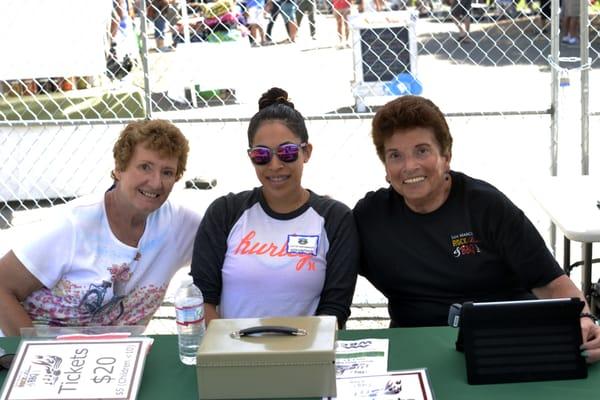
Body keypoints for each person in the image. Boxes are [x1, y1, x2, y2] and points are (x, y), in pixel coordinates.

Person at [353, 95, 600, 363]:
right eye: (395, 155)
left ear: (446, 157)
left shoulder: (486, 206)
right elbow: (322, 267)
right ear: (386, 169)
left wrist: (584, 318)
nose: (409, 166)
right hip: (414, 350)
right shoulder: (371, 216)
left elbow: (552, 284)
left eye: (422, 150)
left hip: (503, 346)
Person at [0, 120, 202, 336]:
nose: (155, 182)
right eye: (145, 167)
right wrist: (34, 354)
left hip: (110, 361)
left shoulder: (181, 225)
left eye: (167, 172)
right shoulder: (74, 225)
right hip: (37, 357)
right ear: (119, 168)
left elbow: (230, 254)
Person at [191, 87, 359, 328]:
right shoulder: (225, 212)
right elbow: (203, 298)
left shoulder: (335, 218)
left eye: (287, 152)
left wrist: (298, 355)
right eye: (262, 155)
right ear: (251, 157)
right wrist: (230, 352)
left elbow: (335, 309)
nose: (275, 165)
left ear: (306, 152)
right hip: (231, 353)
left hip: (306, 353)